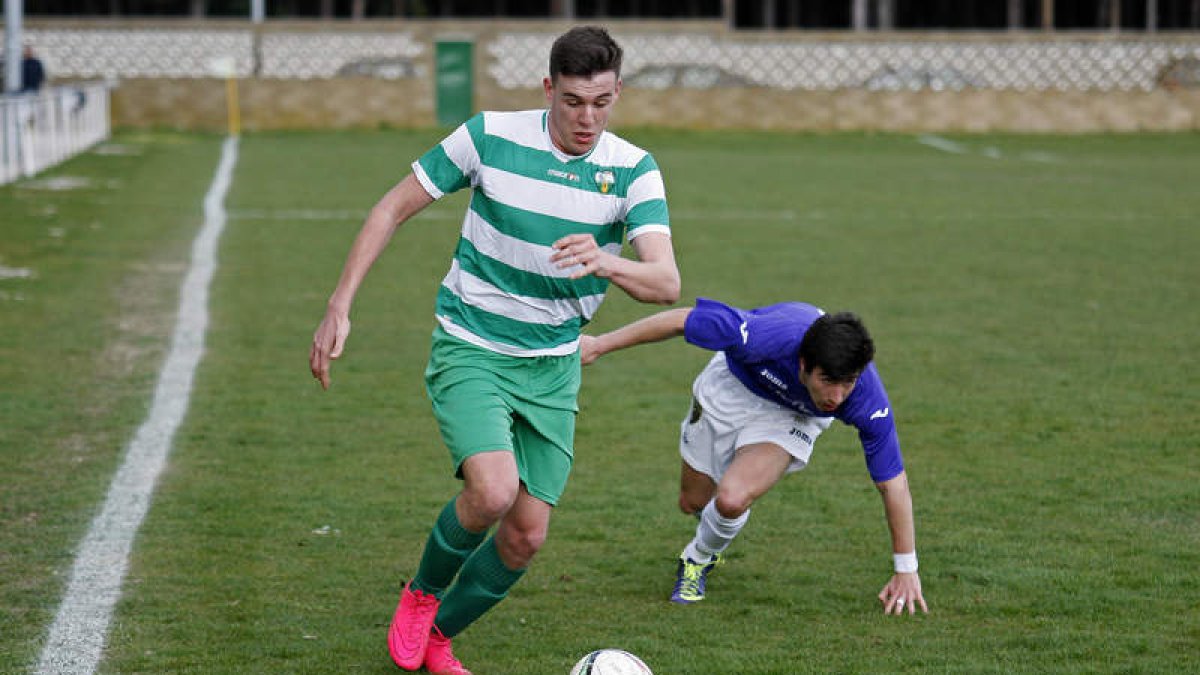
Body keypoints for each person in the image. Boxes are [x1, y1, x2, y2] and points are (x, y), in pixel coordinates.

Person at [309, 26, 680, 675]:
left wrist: (607, 262)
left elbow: (666, 281)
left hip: (553, 366)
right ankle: (422, 591)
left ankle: (440, 638)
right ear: (548, 90)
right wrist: (339, 302)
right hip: (472, 345)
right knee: (492, 491)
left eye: (600, 101)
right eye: (572, 101)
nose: (586, 117)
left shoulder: (633, 169)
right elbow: (392, 207)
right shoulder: (489, 136)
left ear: (617, 92)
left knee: (526, 533)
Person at [580, 297, 928, 616]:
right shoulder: (765, 336)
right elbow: (679, 321)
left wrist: (906, 568)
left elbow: (892, 483)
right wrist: (599, 345)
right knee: (693, 502)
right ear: (804, 364)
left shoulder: (865, 397)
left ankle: (696, 560)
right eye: (828, 380)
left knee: (731, 500)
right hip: (731, 390)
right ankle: (715, 532)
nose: (837, 396)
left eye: (847, 382)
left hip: (791, 418)